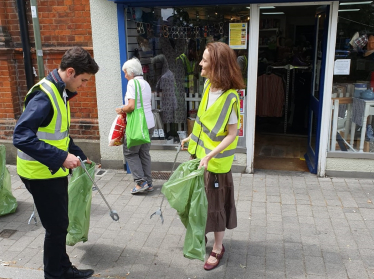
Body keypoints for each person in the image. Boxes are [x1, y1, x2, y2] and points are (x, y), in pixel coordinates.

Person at [13, 47, 99, 279]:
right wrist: (62, 158)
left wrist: (78, 154)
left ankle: (62, 268)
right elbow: (21, 136)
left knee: (60, 223)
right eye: (83, 80)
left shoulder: (59, 92)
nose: (83, 85)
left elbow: (58, 134)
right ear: (70, 72)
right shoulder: (45, 95)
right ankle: (55, 274)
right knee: (56, 227)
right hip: (40, 173)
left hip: (50, 171)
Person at [181, 42, 245, 271]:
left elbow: (232, 134)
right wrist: (191, 138)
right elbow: (203, 120)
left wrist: (210, 156)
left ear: (216, 65)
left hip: (215, 163)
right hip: (199, 158)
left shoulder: (231, 98)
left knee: (216, 205)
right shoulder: (208, 86)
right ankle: (203, 236)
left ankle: (218, 247)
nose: (200, 63)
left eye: (205, 59)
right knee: (199, 201)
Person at [115, 58, 155, 194]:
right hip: (149, 123)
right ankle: (149, 183)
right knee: (144, 153)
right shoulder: (146, 83)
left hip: (138, 124)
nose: (125, 76)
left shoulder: (132, 83)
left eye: (126, 73)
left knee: (130, 152)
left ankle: (140, 182)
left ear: (131, 72)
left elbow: (131, 106)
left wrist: (121, 109)